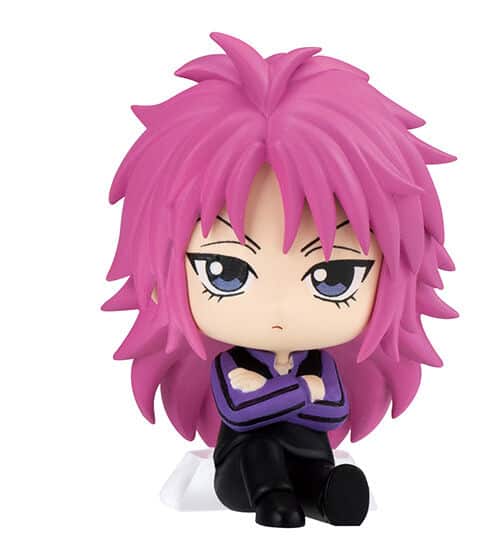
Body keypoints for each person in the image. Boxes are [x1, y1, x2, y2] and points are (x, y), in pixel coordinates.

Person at [104, 32, 457, 527]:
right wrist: (304, 393)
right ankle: (275, 499)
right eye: (225, 271)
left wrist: (282, 396)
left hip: (311, 454)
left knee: (315, 472)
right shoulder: (233, 362)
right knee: (262, 452)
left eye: (333, 276)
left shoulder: (316, 362)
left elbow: (332, 410)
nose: (278, 307)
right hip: (243, 470)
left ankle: (325, 500)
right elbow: (243, 413)